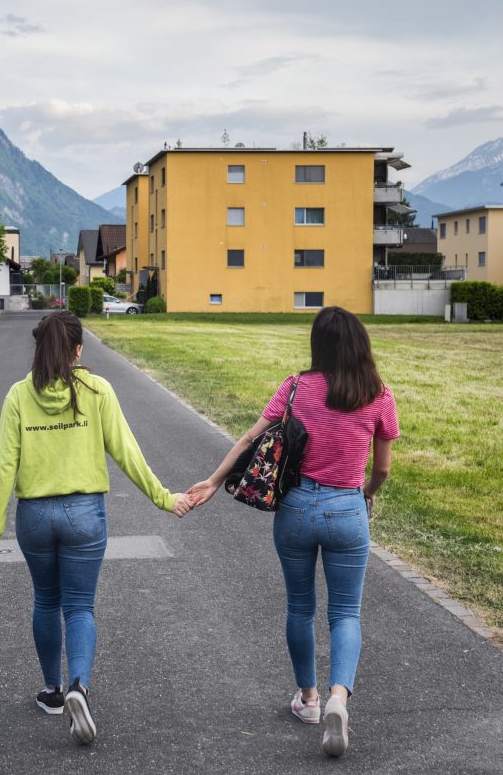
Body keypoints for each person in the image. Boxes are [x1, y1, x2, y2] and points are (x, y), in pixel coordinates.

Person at [179, 306, 398, 758]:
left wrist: (215, 481)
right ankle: (341, 696)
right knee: (346, 613)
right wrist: (367, 493)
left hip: (296, 508)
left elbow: (248, 440)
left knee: (301, 608)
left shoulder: (296, 386)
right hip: (346, 509)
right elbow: (382, 468)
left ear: (318, 345)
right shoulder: (378, 393)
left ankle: (310, 700)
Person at [0, 311, 186, 746]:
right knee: (79, 607)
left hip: (34, 517)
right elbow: (126, 451)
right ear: (77, 351)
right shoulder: (97, 389)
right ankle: (79, 686)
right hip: (84, 515)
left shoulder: (19, 395)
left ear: (39, 348)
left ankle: (53, 692)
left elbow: (4, 466)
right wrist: (164, 498)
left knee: (45, 600)